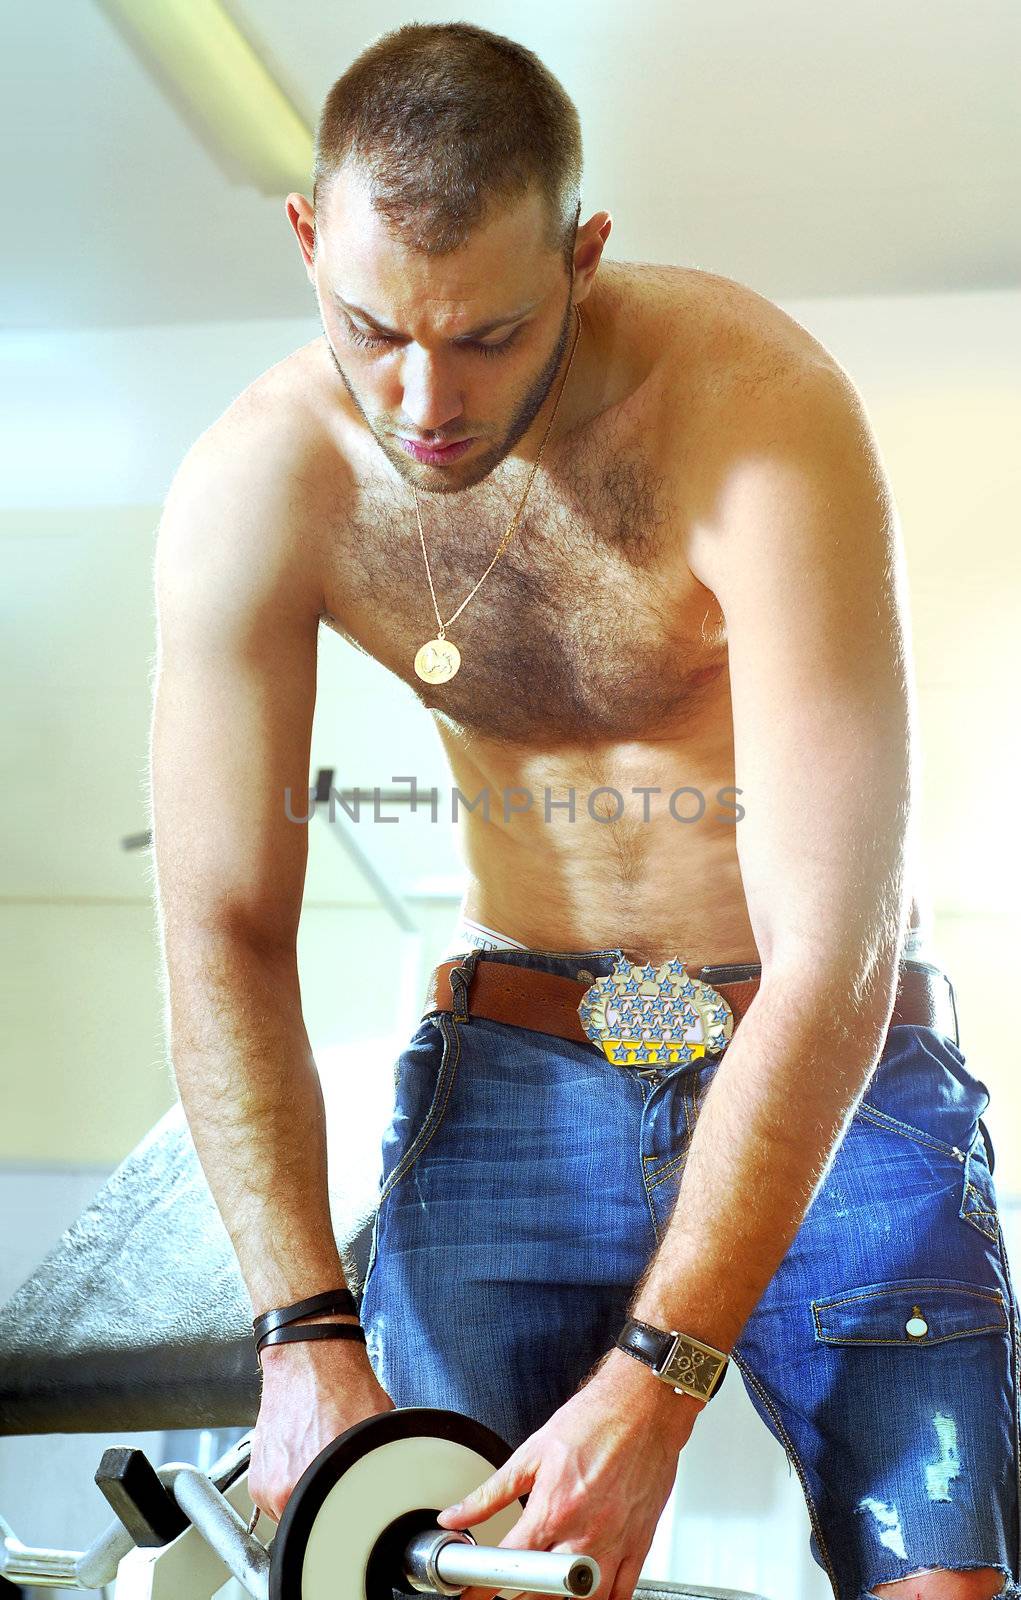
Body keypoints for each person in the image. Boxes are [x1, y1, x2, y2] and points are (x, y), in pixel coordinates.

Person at [148, 19, 1019, 1600]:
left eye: (486, 335)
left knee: (943, 1589)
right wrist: (300, 1336)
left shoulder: (753, 407)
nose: (424, 397)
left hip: (826, 1062)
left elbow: (833, 953)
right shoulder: (263, 481)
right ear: (305, 241)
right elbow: (218, 918)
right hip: (518, 1070)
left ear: (584, 255)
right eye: (371, 328)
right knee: (456, 1578)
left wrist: (656, 1382)